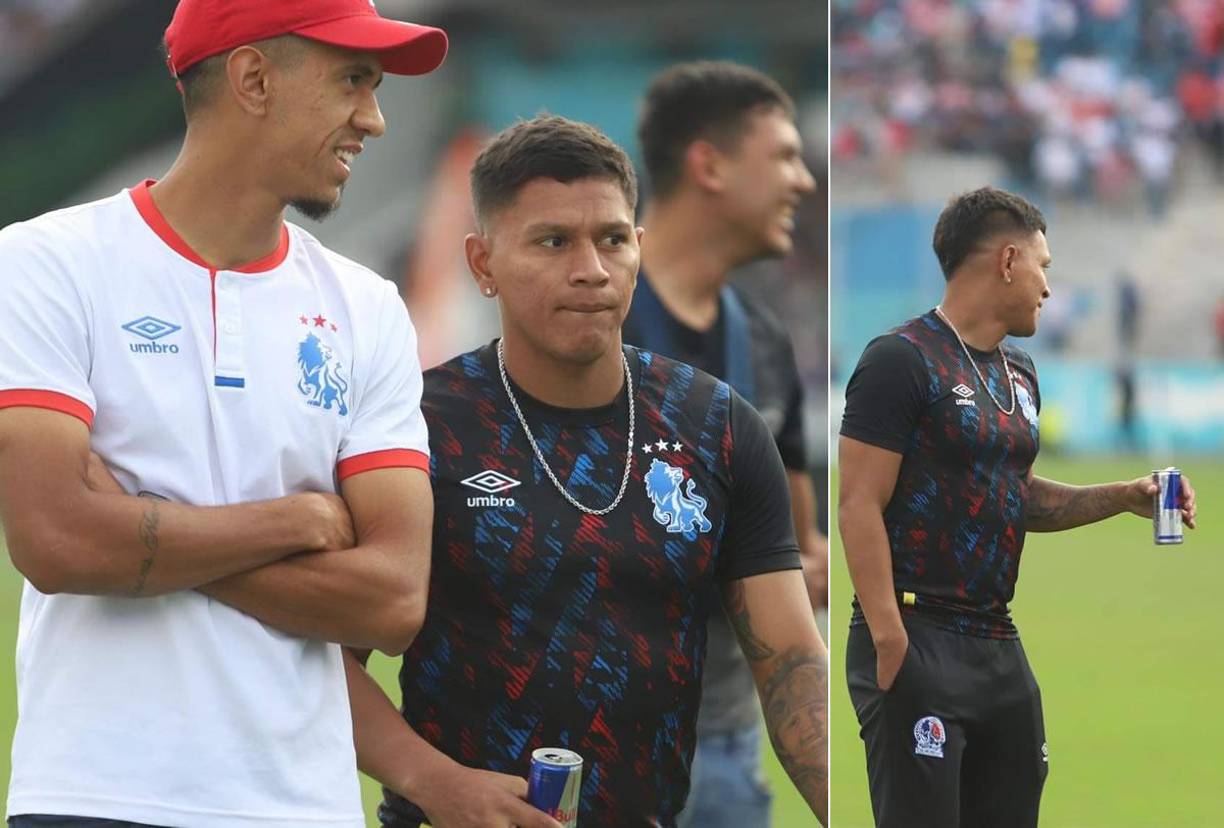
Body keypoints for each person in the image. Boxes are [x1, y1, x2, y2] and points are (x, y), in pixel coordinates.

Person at [0, 2, 447, 826]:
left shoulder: (369, 308)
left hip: (303, 809)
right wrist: (301, 519)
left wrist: (140, 526)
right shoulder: (43, 264)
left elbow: (390, 600)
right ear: (253, 79)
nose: (374, 120)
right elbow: (57, 544)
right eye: (354, 80)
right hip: (94, 799)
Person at [345, 115, 828, 828]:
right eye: (552, 242)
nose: (591, 269)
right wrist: (439, 784)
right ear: (482, 264)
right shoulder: (420, 428)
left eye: (613, 239)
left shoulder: (718, 427)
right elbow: (326, 659)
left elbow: (789, 658)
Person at [838, 186, 1197, 828]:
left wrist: (1122, 496)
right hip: (918, 635)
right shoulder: (899, 360)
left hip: (997, 641)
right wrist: (891, 638)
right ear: (1007, 261)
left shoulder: (1021, 371)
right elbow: (859, 503)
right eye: (1044, 266)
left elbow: (1013, 495)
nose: (1049, 288)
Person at [622, 60, 827, 827]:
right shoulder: (585, 317)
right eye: (783, 155)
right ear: (708, 163)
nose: (804, 181)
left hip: (724, 746)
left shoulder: (766, 346)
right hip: (587, 743)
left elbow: (803, 555)